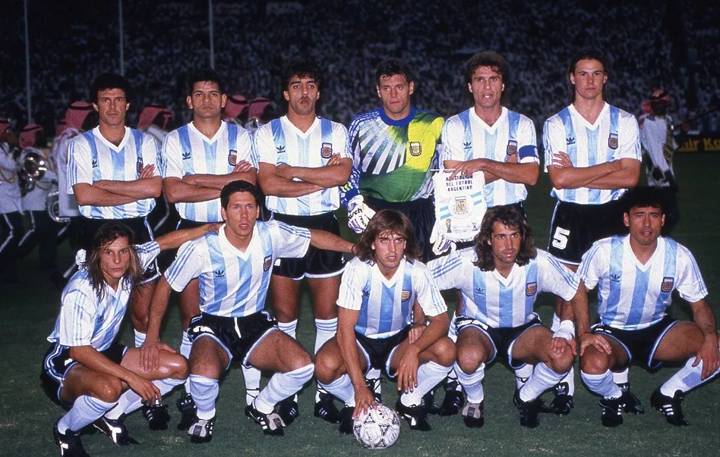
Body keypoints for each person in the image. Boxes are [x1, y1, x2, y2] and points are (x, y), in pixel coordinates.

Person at [141, 180, 355, 442]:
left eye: (249, 207)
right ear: (223, 212)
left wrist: (354, 248)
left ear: (257, 211)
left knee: (302, 367)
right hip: (214, 324)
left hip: (255, 323)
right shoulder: (201, 247)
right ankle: (205, 415)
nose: (243, 215)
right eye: (236, 207)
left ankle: (261, 406)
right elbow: (165, 286)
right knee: (202, 375)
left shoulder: (271, 233)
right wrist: (152, 337)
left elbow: (314, 237)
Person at [42, 221, 213, 457]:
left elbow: (166, 242)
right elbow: (79, 351)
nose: (117, 260)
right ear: (96, 255)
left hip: (103, 350)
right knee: (110, 388)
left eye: (123, 251)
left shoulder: (131, 260)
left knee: (179, 367)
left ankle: (111, 415)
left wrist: (208, 229)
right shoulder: (81, 290)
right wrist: (133, 378)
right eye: (108, 252)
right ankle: (65, 430)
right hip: (65, 362)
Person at [438, 50, 540, 413]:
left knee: (520, 291)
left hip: (512, 216)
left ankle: (524, 376)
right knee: (465, 297)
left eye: (493, 79)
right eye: (479, 79)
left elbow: (531, 174)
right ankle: (458, 382)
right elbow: (453, 175)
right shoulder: (454, 126)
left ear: (503, 84)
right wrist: (505, 167)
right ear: (469, 86)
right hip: (469, 218)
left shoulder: (522, 124)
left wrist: (479, 164)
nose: (486, 86)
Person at [543, 50, 641, 413]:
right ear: (572, 78)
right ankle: (564, 385)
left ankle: (620, 383)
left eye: (596, 74)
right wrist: (610, 165)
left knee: (615, 292)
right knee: (565, 293)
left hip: (614, 213)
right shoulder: (556, 124)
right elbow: (559, 179)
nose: (589, 80)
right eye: (582, 74)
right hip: (571, 215)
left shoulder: (625, 121)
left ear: (605, 79)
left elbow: (631, 177)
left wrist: (581, 171)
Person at [255, 59, 352, 422]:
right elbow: (268, 185)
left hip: (325, 224)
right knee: (286, 316)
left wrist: (293, 173)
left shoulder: (336, 130)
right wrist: (321, 180)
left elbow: (341, 174)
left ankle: (324, 394)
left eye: (310, 84)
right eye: (296, 85)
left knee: (328, 317)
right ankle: (288, 392)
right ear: (285, 92)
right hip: (282, 226)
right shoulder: (267, 133)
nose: (304, 91)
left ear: (319, 91)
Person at [574, 187, 720, 427]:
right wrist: (584, 333)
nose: (646, 223)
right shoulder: (605, 250)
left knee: (716, 346)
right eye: (639, 214)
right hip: (613, 332)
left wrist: (711, 336)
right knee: (592, 367)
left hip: (657, 329)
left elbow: (700, 305)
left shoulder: (678, 255)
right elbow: (578, 289)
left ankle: (669, 393)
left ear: (663, 220)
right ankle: (615, 395)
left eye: (654, 215)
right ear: (626, 219)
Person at [160, 68, 256, 427]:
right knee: (191, 320)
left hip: (237, 231)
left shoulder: (241, 136)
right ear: (189, 100)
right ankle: (190, 394)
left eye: (213, 93)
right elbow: (173, 193)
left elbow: (251, 185)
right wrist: (230, 184)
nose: (206, 100)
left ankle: (251, 393)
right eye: (199, 94)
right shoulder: (174, 140)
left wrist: (197, 179)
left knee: (243, 313)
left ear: (224, 100)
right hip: (191, 230)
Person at [427, 205, 578, 428]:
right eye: (501, 237)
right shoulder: (466, 261)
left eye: (514, 236)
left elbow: (574, 289)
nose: (509, 245)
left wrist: (566, 330)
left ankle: (527, 397)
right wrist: (422, 323)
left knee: (563, 356)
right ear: (488, 239)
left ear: (522, 236)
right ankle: (475, 401)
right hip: (478, 329)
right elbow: (421, 279)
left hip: (523, 329)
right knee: (468, 357)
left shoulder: (539, 261)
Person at [315, 209, 454, 433]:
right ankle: (354, 399)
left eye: (399, 240)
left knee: (446, 350)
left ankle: (410, 400)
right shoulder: (357, 269)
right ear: (372, 243)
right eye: (384, 240)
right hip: (361, 340)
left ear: (406, 243)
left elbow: (441, 320)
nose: (392, 249)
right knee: (324, 365)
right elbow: (344, 331)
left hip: (398, 341)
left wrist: (413, 350)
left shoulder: (417, 271)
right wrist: (359, 387)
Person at [67, 73, 163, 371]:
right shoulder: (81, 144)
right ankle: (93, 375)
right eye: (105, 100)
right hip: (96, 231)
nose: (112, 106)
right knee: (96, 309)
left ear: (128, 104)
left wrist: (105, 185)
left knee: (142, 313)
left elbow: (154, 190)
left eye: (118, 100)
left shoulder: (145, 141)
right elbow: (83, 195)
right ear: (95, 106)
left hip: (138, 227)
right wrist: (134, 189)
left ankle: (143, 373)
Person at [341, 58, 444, 262]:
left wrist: (446, 216)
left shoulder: (434, 123)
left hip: (421, 213)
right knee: (378, 284)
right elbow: (348, 171)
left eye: (399, 87)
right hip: (376, 212)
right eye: (386, 88)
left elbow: (443, 173)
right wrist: (352, 201)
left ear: (411, 87)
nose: (393, 94)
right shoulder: (361, 125)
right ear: (378, 91)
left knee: (418, 283)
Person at [639, 87, 679, 231]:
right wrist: (669, 177)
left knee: (667, 214)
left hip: (667, 169)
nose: (659, 106)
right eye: (656, 104)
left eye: (661, 103)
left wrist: (683, 133)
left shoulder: (668, 120)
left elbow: (670, 145)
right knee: (669, 215)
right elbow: (655, 153)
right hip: (658, 173)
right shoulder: (649, 123)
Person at [0, 118, 24, 283]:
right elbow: (9, 165)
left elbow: (19, 165)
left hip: (12, 195)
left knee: (12, 232)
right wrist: (15, 149)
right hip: (2, 197)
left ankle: (10, 271)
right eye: (7, 131)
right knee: (14, 231)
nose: (10, 133)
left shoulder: (8, 147)